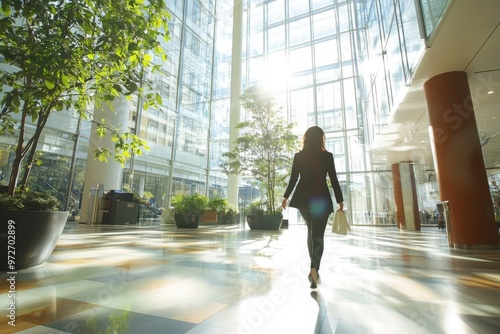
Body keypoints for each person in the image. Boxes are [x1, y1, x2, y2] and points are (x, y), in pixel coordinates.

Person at [282, 126, 344, 289]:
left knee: (311, 232)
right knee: (318, 236)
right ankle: (314, 268)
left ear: (306, 139)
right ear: (321, 139)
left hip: (303, 199)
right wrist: (340, 200)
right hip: (320, 199)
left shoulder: (299, 156)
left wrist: (286, 197)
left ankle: (313, 269)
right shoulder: (327, 156)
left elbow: (294, 179)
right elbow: (334, 179)